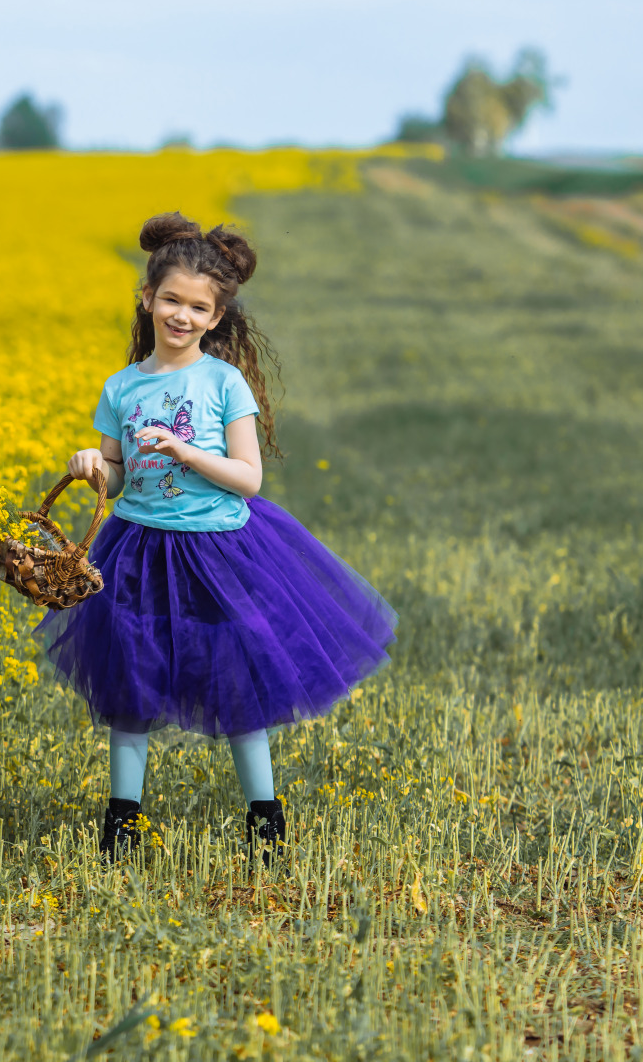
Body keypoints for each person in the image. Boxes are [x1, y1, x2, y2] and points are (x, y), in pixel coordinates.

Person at [37, 211, 397, 863]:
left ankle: (265, 819)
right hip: (138, 549)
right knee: (129, 681)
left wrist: (184, 451)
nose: (181, 315)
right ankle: (122, 820)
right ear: (147, 299)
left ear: (215, 317)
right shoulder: (121, 388)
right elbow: (117, 478)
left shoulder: (223, 384)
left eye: (197, 307)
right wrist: (93, 465)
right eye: (170, 299)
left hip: (220, 552)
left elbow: (248, 478)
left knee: (241, 680)